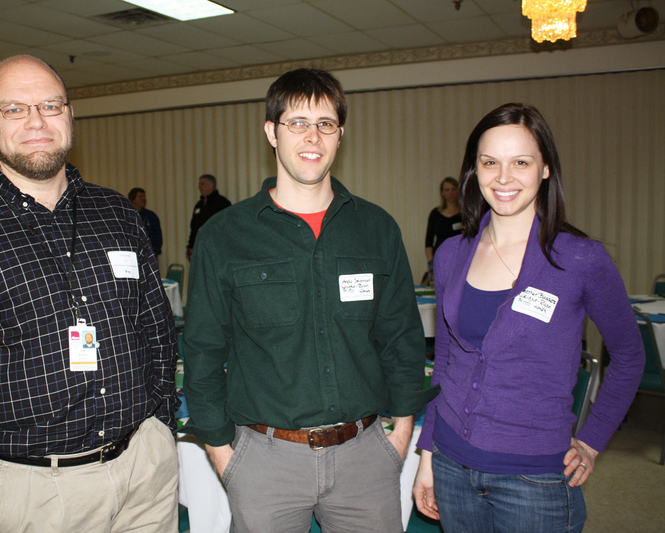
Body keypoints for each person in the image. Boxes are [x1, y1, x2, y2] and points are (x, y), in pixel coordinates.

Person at [0, 55, 179, 533]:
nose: (37, 121)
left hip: (145, 472)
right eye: (14, 109)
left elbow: (157, 329)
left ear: (69, 115)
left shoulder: (116, 213)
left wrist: (160, 429)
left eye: (50, 105)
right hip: (34, 493)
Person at [182, 68, 437, 532]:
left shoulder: (377, 228)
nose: (312, 136)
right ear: (271, 133)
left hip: (366, 459)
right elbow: (201, 350)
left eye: (325, 124)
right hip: (263, 462)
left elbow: (400, 337)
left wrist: (400, 435)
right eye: (296, 122)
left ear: (341, 135)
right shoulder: (224, 236)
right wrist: (222, 452)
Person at [412, 103, 645, 533]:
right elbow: (445, 362)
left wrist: (592, 442)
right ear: (474, 171)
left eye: (521, 162)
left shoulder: (579, 258)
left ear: (545, 169)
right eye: (490, 162)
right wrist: (427, 455)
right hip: (451, 466)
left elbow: (629, 356)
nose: (503, 177)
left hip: (535, 477)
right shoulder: (452, 255)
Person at [185, 173, 230, 260]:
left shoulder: (222, 203)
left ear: (211, 185)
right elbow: (194, 228)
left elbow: (227, 227)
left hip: (216, 249)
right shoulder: (199, 205)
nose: (199, 187)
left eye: (202, 184)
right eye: (199, 184)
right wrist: (190, 246)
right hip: (199, 249)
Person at [424, 176, 461, 273]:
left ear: (458, 190)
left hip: (460, 259)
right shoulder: (435, 214)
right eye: (447, 190)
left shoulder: (465, 213)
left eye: (453, 189)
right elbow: (429, 241)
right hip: (440, 260)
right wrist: (431, 262)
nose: (451, 193)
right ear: (442, 193)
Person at [128, 187, 162, 256]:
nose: (143, 199)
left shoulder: (151, 216)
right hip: (133, 254)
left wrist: (155, 251)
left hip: (150, 254)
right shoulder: (127, 215)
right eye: (140, 197)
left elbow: (158, 236)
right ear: (133, 200)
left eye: (144, 196)